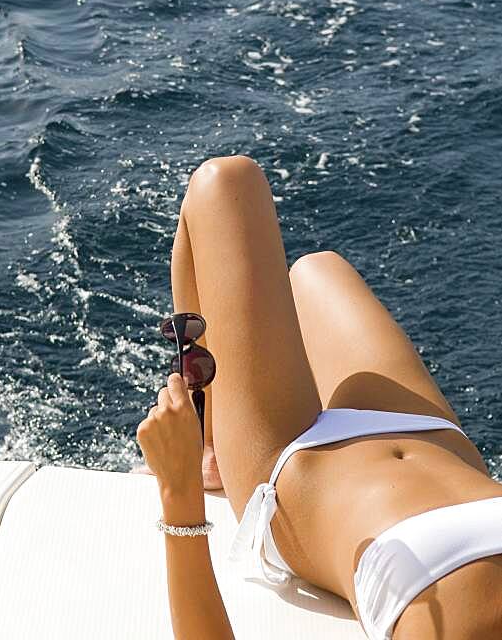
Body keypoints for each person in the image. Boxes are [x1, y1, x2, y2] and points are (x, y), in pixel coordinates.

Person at [136, 155, 502, 640]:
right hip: (437, 446)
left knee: (223, 185)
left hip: (293, 480)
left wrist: (179, 491)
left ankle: (209, 448)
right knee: (316, 272)